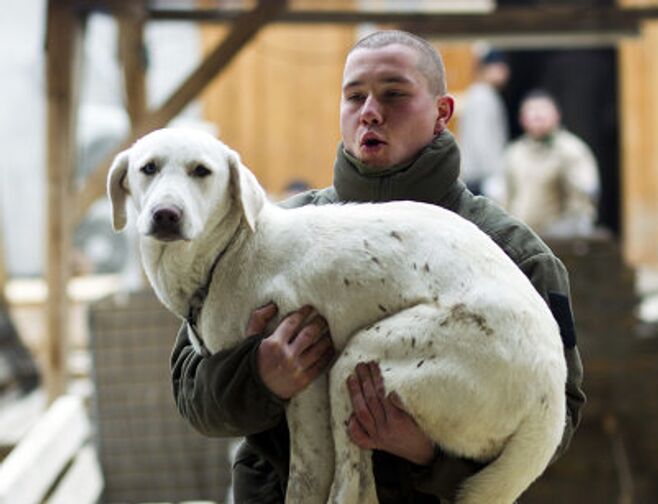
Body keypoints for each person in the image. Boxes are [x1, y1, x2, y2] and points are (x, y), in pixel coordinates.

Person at [171, 30, 585, 503]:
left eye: (394, 94)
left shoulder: (513, 255)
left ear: (442, 115)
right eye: (354, 97)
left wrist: (431, 454)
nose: (369, 111)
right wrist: (258, 375)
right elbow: (190, 393)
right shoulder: (268, 236)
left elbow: (556, 415)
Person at [504, 90, 600, 237]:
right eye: (531, 110)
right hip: (521, 239)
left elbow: (586, 196)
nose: (537, 115)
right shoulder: (515, 153)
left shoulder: (571, 150)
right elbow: (503, 197)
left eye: (543, 110)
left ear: (557, 115)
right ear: (522, 119)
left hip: (562, 241)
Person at [457, 46, 510, 202]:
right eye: (498, 67)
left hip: (477, 176)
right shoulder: (482, 95)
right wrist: (494, 174)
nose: (504, 72)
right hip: (479, 177)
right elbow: (482, 139)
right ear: (485, 69)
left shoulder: (483, 93)